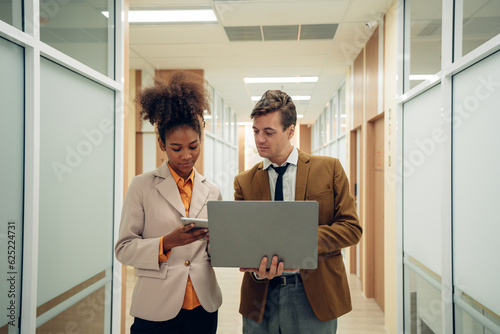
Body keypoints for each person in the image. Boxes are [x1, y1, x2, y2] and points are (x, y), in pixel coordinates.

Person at [235, 90, 362, 334]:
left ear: (290, 131)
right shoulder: (244, 182)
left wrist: (301, 242)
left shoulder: (328, 169)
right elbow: (244, 239)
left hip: (315, 294)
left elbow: (351, 228)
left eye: (269, 132)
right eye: (256, 131)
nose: (260, 139)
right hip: (261, 295)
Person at [115, 71, 222, 334]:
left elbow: (216, 254)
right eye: (176, 148)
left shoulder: (213, 191)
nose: (187, 155)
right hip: (156, 307)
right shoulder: (142, 186)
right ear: (162, 144)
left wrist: (217, 242)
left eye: (193, 146)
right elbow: (124, 250)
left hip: (203, 306)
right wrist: (168, 242)